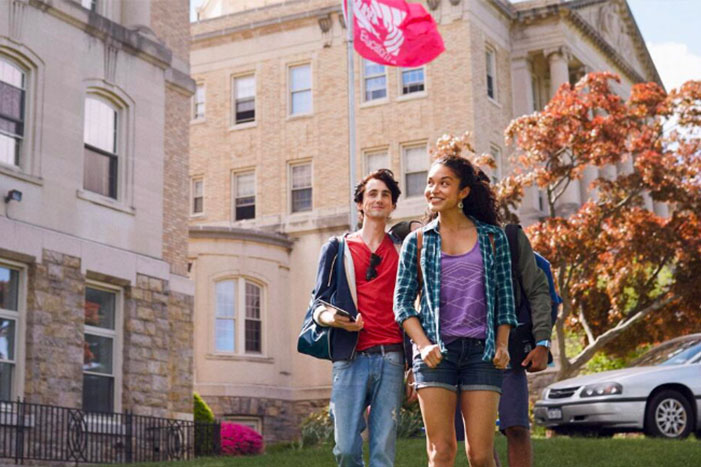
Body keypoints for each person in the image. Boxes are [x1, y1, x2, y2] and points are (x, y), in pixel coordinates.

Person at [394, 155, 517, 467]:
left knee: (480, 454)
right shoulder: (417, 241)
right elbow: (403, 303)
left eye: (444, 183)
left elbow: (505, 298)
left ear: (463, 192)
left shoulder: (493, 238)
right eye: (430, 183)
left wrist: (502, 344)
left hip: (483, 354)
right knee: (441, 451)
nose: (433, 189)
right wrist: (423, 346)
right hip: (436, 355)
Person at [310, 169, 408, 467]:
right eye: (372, 194)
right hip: (350, 357)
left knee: (382, 451)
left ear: (392, 206)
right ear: (360, 205)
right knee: (346, 450)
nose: (379, 199)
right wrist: (335, 319)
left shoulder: (404, 249)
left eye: (385, 195)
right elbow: (317, 304)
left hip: (392, 356)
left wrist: (412, 364)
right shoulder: (338, 247)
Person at [494, 225, 553, 467]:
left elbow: (538, 290)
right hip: (466, 350)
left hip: (510, 347)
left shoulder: (510, 237)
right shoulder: (443, 235)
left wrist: (542, 341)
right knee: (479, 435)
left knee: (516, 426)